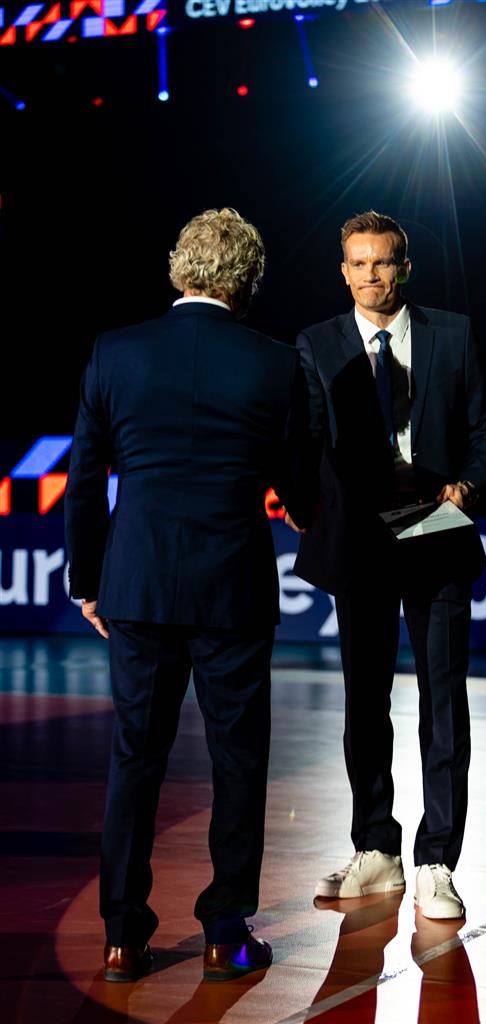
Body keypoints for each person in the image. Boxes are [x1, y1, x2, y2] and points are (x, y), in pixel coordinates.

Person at [65, 208, 314, 982]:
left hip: (136, 584)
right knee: (237, 759)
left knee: (135, 757)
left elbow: (83, 482)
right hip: (232, 588)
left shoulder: (115, 351)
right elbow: (300, 486)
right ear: (247, 281)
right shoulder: (275, 363)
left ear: (179, 267)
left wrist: (86, 582)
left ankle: (121, 936)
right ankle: (224, 934)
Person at [289, 211, 486, 919]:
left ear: (403, 267)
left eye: (382, 262)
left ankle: (436, 859)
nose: (370, 275)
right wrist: (303, 503)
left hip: (435, 524)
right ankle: (375, 848)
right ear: (343, 271)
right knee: (364, 701)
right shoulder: (317, 343)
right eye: (358, 263)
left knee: (443, 701)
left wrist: (465, 485)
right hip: (359, 537)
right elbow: (304, 441)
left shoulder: (454, 334)